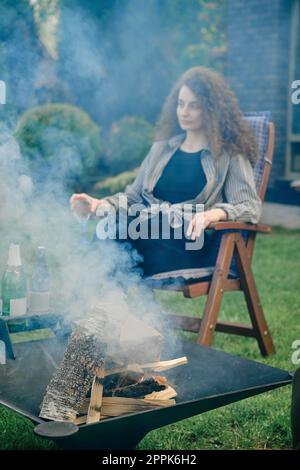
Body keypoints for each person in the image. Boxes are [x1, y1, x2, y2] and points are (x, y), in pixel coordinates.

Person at [70, 66, 261, 279]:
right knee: (112, 231)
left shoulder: (229, 154)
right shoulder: (162, 149)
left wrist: (211, 214)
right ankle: (105, 306)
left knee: (116, 236)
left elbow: (249, 206)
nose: (184, 112)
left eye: (194, 106)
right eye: (180, 104)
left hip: (188, 244)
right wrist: (98, 205)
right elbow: (133, 198)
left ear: (211, 110)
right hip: (145, 235)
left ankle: (100, 305)